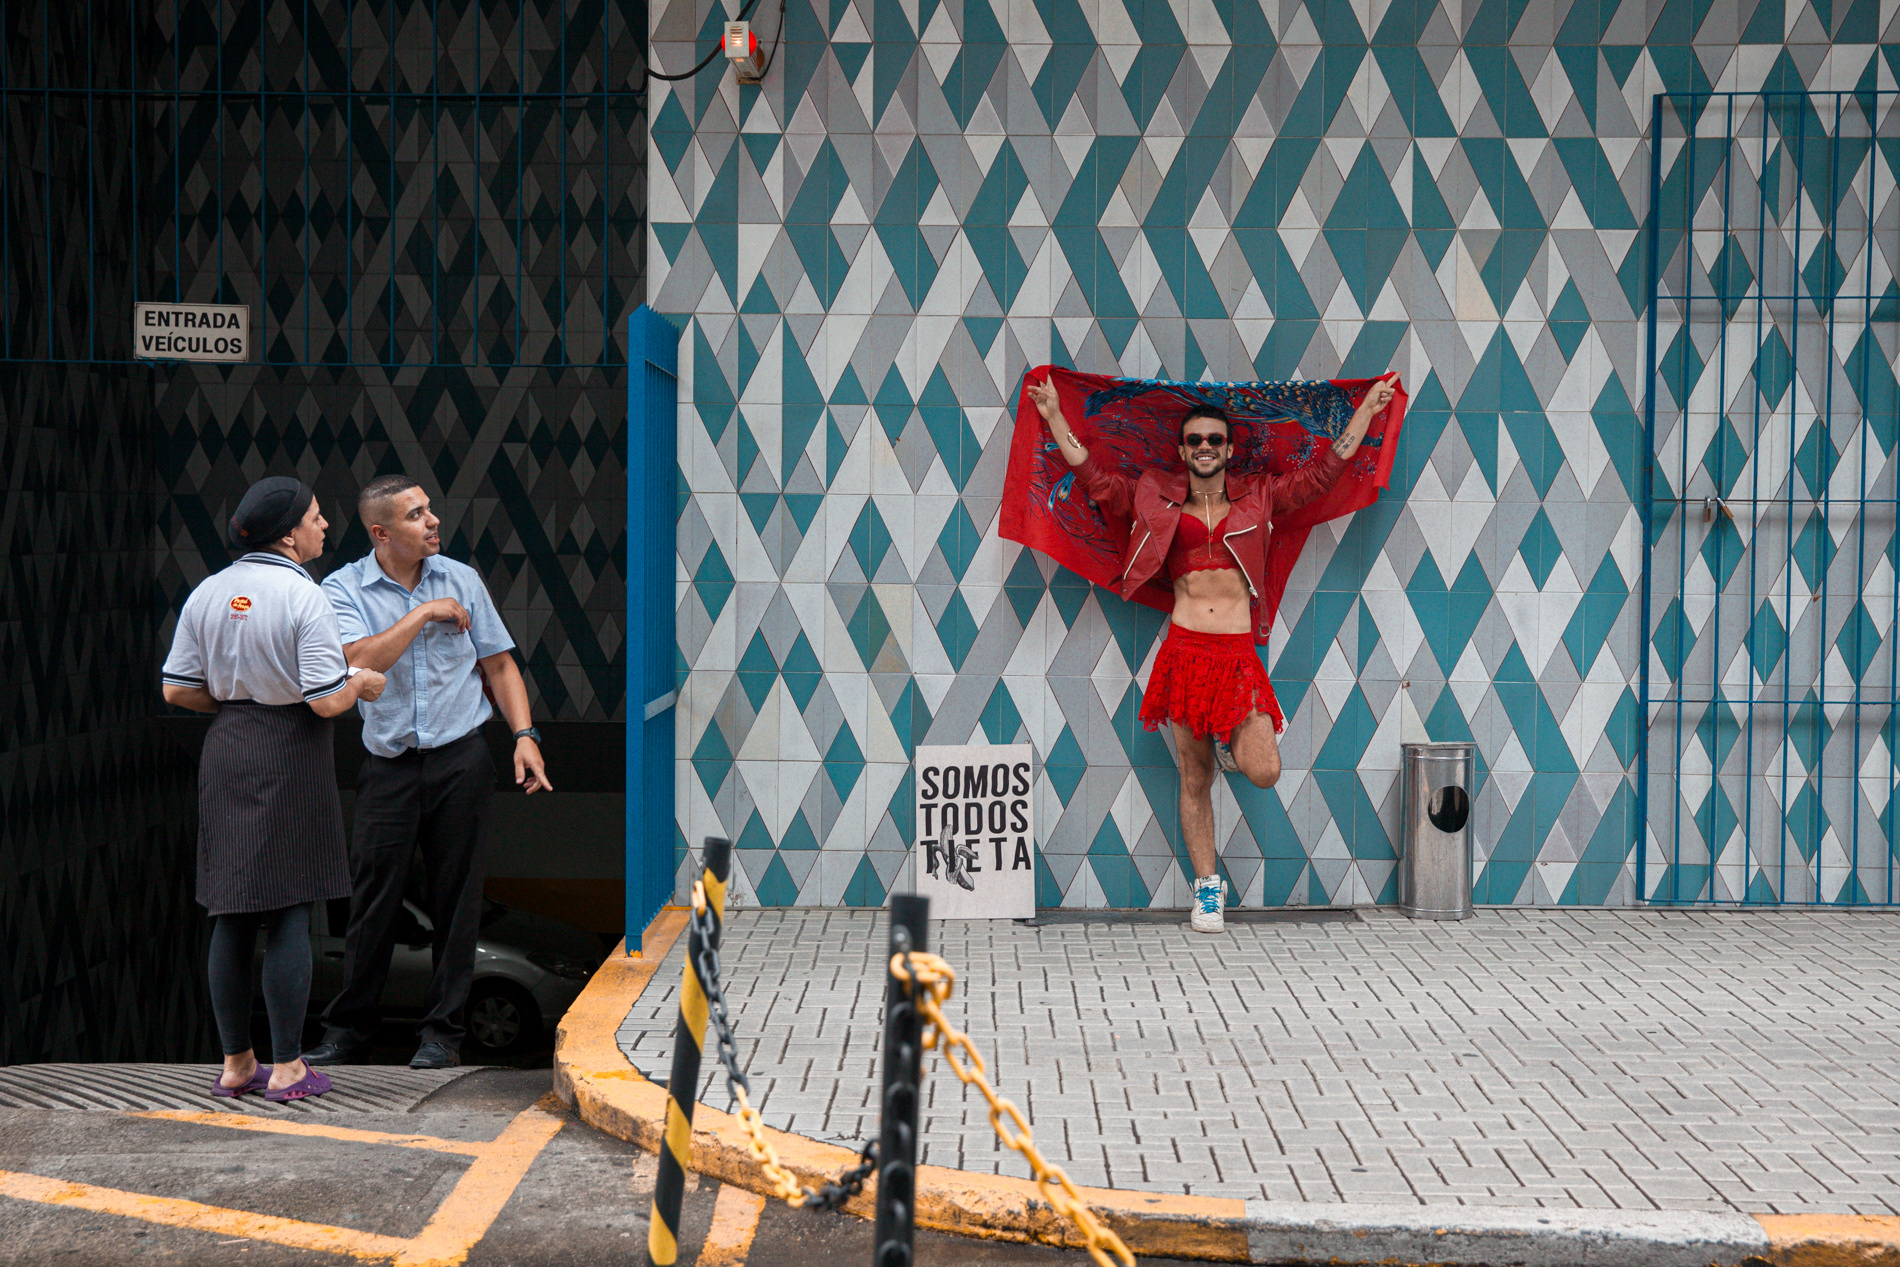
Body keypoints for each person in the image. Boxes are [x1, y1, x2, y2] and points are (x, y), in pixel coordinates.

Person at [1024, 372, 1398, 933]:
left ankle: (1231, 742)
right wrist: (1055, 414)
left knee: (1264, 770)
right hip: (1185, 652)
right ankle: (1207, 890)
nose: (1204, 447)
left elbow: (1322, 475)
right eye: (1195, 440)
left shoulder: (1260, 495)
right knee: (1193, 777)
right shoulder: (1154, 493)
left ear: (1228, 448)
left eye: (1214, 440)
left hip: (1238, 656)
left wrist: (1367, 409)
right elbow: (1098, 480)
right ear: (1182, 450)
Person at [303, 474, 551, 1070]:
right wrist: (422, 615)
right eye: (416, 515)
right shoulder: (342, 588)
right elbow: (356, 660)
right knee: (373, 901)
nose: (433, 520)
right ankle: (348, 1031)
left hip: (461, 760)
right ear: (382, 532)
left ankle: (442, 1035)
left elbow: (500, 666)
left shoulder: (462, 579)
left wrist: (525, 736)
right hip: (388, 767)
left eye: (429, 509)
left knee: (457, 901)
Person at [160, 476, 388, 1100]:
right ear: (289, 536)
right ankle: (288, 1067)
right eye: (315, 517)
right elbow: (325, 701)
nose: (323, 526)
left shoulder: (209, 590)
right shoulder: (302, 594)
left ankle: (237, 1064)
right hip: (290, 751)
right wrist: (363, 682)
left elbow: (177, 689)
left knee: (231, 909)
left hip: (226, 747)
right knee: (290, 906)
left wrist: (239, 701)